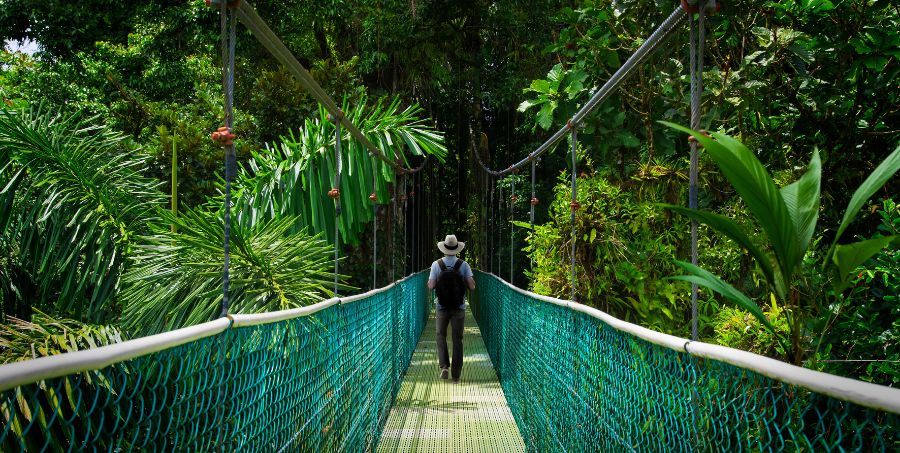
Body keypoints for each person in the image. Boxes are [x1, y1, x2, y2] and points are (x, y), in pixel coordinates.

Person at [427, 234, 476, 383]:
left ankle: (444, 367)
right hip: (459, 307)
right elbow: (472, 286)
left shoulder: (437, 264)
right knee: (458, 339)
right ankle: (456, 376)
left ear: (444, 248)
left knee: (440, 336)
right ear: (456, 248)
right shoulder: (463, 265)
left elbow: (430, 286)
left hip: (441, 306)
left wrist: (438, 282)